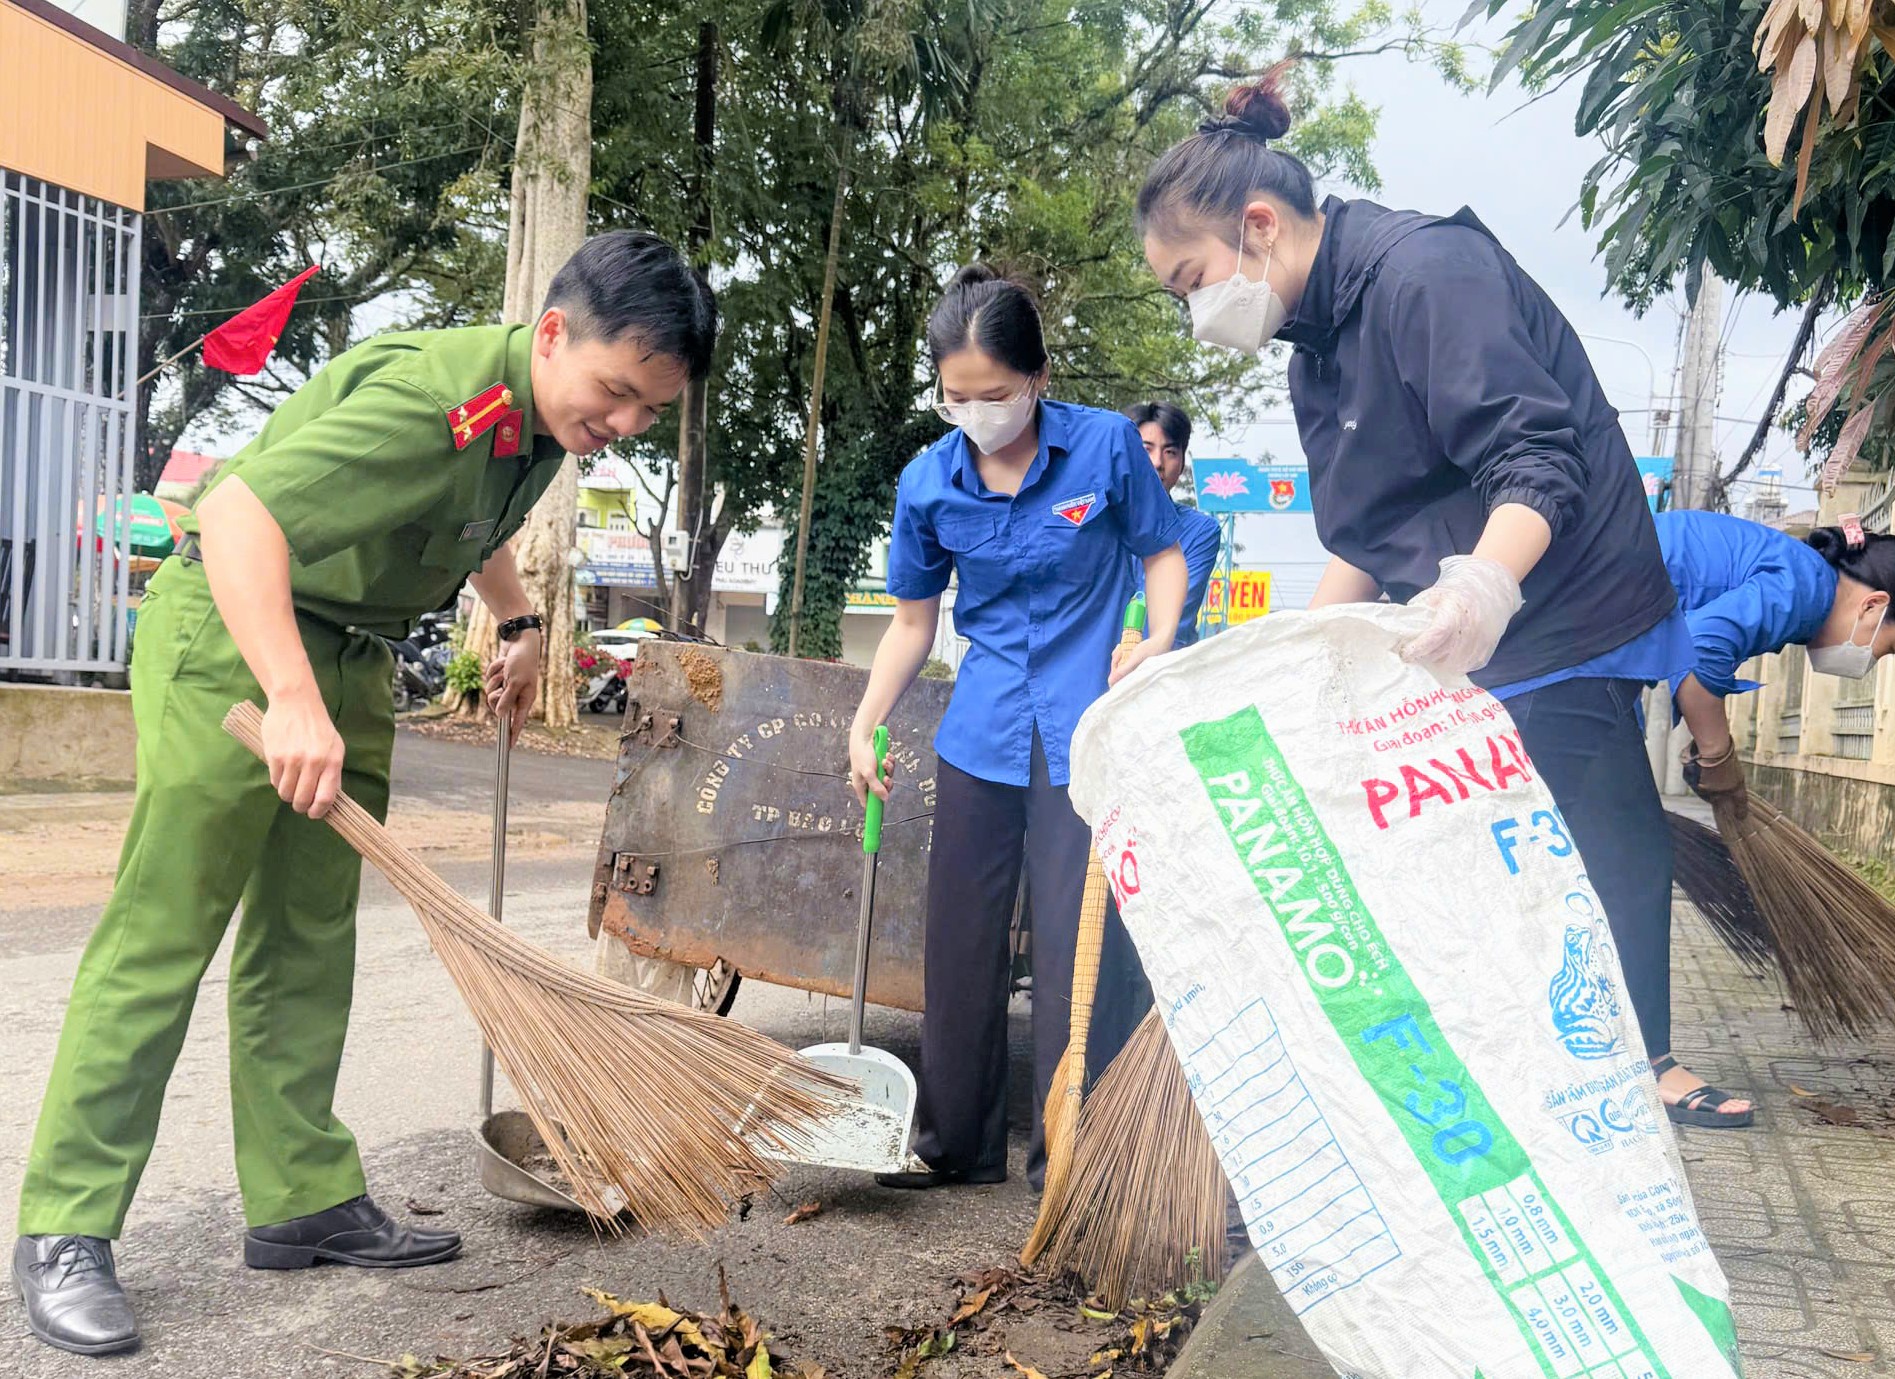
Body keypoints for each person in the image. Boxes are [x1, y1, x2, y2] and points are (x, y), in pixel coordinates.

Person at [12, 232, 717, 1356]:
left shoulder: (534, 422)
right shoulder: (430, 399)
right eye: (616, 393)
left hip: (345, 654)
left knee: (308, 933)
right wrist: (290, 696)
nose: (624, 424)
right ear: (549, 335)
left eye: (648, 408)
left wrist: (524, 623)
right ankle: (64, 1226)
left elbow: (462, 523)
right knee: (163, 933)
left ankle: (299, 1198)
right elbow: (238, 516)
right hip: (237, 642)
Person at [1135, 68, 1753, 1128]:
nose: (1195, 312)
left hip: (1561, 595)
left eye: (1190, 279)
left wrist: (1481, 580)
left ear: (1258, 226)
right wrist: (1297, 665)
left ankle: (1639, 1058)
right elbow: (1362, 540)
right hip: (1472, 618)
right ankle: (1530, 1052)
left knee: (1593, 832)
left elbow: (1535, 459)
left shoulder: (1425, 274)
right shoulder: (1314, 351)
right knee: (1478, 848)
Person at [848, 264, 1187, 1192]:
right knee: (959, 935)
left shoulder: (1107, 448)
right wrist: (864, 720)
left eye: (994, 393)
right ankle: (955, 1143)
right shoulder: (927, 481)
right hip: (982, 733)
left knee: (1081, 936)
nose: (978, 411)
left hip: (1085, 732)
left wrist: (1156, 636)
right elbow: (913, 622)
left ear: (1037, 377)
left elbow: (1160, 550)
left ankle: (1074, 1152)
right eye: (957, 397)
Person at [1664, 510, 1895, 824]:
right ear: (1872, 606)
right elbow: (1700, 649)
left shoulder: (1804, 579)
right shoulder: (1805, 591)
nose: (1876, 660)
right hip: (1599, 596)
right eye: (1889, 648)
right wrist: (1716, 754)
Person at [1125, 401, 1223, 646]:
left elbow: (1175, 619)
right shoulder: (1095, 520)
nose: (1158, 462)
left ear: (1181, 463)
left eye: (1170, 452)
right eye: (1146, 449)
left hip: (1164, 669)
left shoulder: (1201, 531)